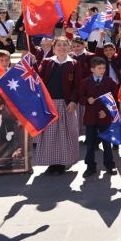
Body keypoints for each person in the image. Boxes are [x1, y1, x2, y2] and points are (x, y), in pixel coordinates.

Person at [35, 36, 82, 176]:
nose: (62, 48)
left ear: (69, 47)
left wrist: (73, 101)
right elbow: (38, 79)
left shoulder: (74, 64)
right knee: (50, 135)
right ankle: (51, 163)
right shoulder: (47, 62)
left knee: (64, 135)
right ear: (54, 48)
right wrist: (32, 64)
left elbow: (77, 85)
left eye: (65, 45)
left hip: (66, 104)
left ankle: (62, 163)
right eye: (59, 45)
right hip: (49, 105)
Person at [78, 57, 118, 178]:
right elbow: (80, 97)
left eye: (104, 68)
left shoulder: (110, 82)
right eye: (99, 68)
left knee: (107, 143)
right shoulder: (85, 82)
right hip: (90, 117)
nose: (102, 70)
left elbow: (114, 99)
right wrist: (86, 100)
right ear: (92, 69)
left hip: (104, 117)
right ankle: (90, 166)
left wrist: (106, 111)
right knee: (90, 143)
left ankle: (110, 165)